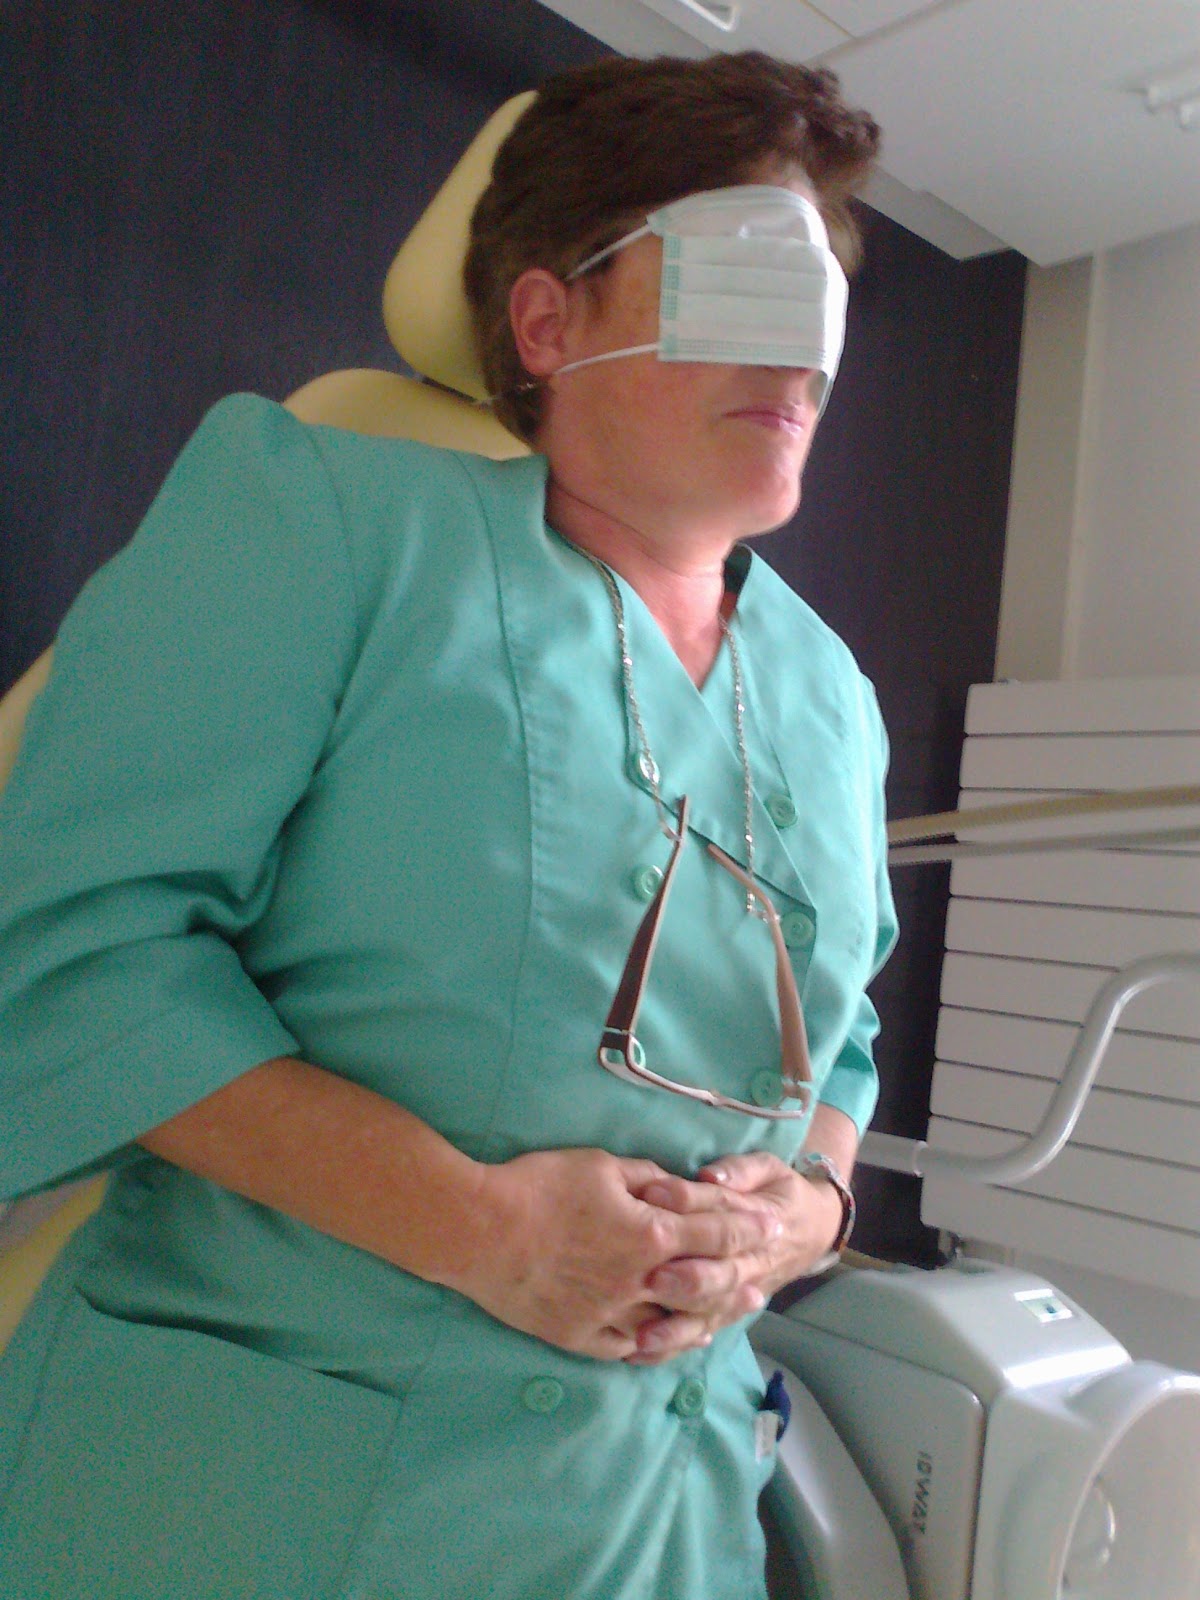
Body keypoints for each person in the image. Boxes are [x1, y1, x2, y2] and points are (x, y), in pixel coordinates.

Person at [0, 50, 894, 1600]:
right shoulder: (324, 521)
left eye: (817, 302)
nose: (798, 355)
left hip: (661, 1519)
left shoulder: (834, 694)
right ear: (550, 324)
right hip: (272, 1494)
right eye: (746, 277)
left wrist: (804, 1215)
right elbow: (71, 951)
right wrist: (483, 1229)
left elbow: (843, 1046)